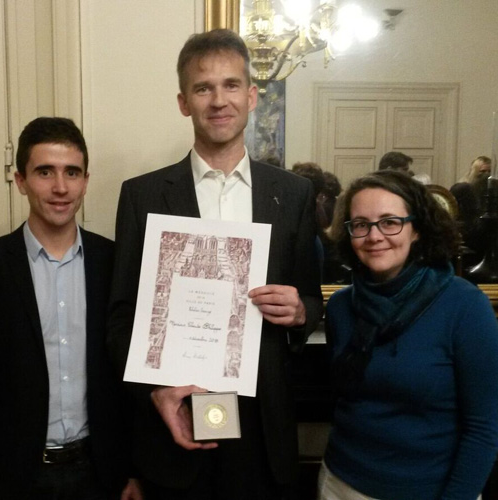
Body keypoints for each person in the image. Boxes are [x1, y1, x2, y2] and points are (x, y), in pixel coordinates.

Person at [107, 29, 323, 499]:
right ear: (184, 102)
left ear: (251, 96)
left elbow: (310, 298)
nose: (218, 100)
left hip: (264, 430)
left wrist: (301, 311)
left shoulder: (292, 194)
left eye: (230, 85)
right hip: (177, 425)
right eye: (203, 88)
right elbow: (123, 317)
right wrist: (154, 393)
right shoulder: (142, 196)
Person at [0, 117, 141, 500]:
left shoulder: (114, 262)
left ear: (86, 180)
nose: (60, 187)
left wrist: (133, 471)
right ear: (21, 180)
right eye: (44, 172)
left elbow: (128, 380)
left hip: (101, 476)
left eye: (72, 172)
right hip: (13, 479)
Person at [321, 170, 498, 500]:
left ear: (417, 228)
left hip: (430, 490)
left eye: (390, 222)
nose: (374, 235)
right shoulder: (341, 307)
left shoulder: (464, 307)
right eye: (361, 224)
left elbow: (484, 429)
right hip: (340, 482)